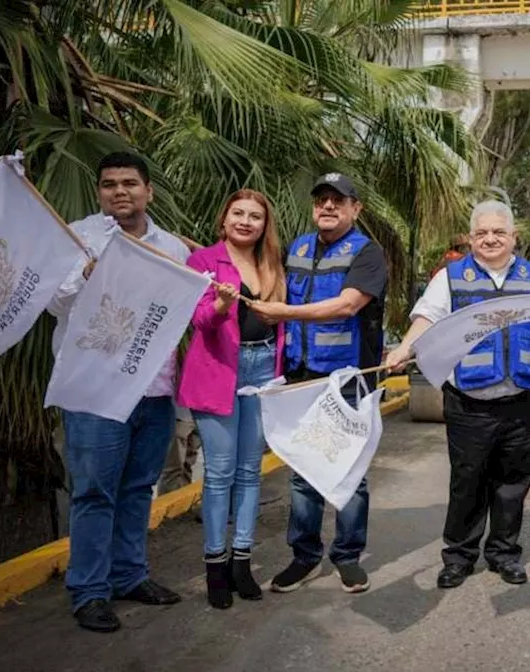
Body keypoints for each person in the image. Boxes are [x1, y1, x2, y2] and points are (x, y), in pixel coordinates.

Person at [384, 201, 530, 589]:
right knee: (468, 481)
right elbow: (426, 318)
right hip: (469, 400)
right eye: (482, 233)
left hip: (521, 397)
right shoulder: (451, 277)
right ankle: (459, 556)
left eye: (499, 232)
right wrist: (403, 349)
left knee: (514, 480)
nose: (491, 239)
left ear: (514, 237)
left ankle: (504, 553)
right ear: (470, 238)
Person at [47, 152, 189, 633]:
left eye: (130, 183)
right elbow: (53, 302)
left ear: (148, 191)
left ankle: (130, 576)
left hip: (153, 389)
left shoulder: (172, 246)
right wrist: (85, 275)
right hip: (94, 392)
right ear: (99, 192)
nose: (120, 191)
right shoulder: (77, 237)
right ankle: (89, 591)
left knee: (136, 489)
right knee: (93, 493)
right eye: (110, 184)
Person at [249, 173, 387, 594]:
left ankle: (347, 555)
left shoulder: (368, 254)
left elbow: (347, 306)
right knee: (303, 471)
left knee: (349, 471)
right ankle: (304, 556)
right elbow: (257, 279)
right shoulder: (297, 247)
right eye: (322, 200)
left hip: (347, 378)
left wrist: (282, 313)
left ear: (355, 209)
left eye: (338, 201)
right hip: (300, 376)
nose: (328, 207)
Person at [177, 189, 286, 609]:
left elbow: (281, 324)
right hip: (219, 370)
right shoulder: (203, 261)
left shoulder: (271, 264)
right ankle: (215, 566)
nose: (245, 221)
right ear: (223, 220)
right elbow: (199, 320)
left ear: (264, 225)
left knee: (250, 472)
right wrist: (221, 305)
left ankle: (243, 559)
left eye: (255, 216)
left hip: (262, 371)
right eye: (237, 213)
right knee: (219, 472)